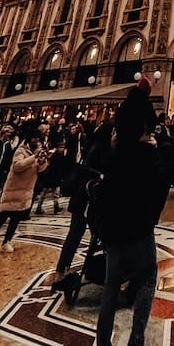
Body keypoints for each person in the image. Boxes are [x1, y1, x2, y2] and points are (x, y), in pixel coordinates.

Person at [94, 89, 171, 346]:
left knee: (110, 286)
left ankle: (103, 342)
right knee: (148, 279)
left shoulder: (115, 153)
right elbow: (161, 186)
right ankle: (136, 340)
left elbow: (103, 190)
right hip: (139, 229)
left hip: (113, 230)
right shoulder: (147, 154)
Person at [50, 120, 113, 288]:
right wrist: (101, 176)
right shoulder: (99, 148)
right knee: (81, 234)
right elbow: (86, 168)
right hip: (86, 199)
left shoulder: (95, 145)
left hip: (86, 199)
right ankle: (62, 272)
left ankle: (63, 271)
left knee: (79, 235)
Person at [0, 128, 49, 253]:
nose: (36, 141)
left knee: (15, 220)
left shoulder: (36, 151)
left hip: (26, 190)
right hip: (14, 190)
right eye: (34, 138)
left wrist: (43, 162)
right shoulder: (21, 150)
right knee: (2, 218)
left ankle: (7, 241)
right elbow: (17, 166)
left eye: (38, 139)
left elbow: (39, 169)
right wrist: (34, 157)